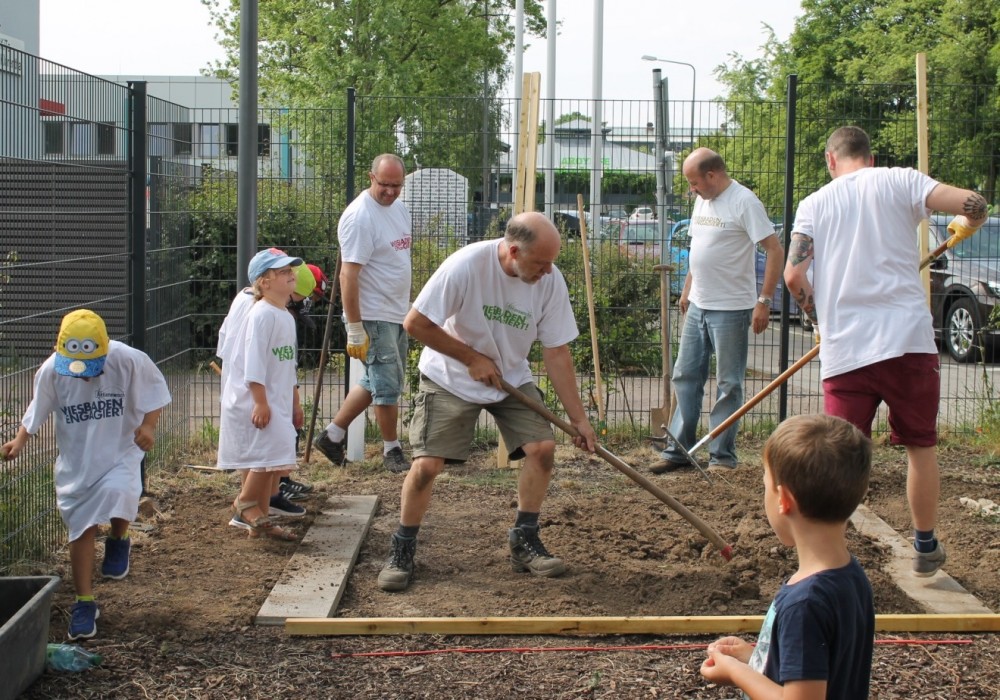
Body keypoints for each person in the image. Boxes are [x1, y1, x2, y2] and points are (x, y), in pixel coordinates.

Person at [784, 125, 988, 576]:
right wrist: (968, 222)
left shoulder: (815, 203)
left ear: (830, 160)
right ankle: (925, 546)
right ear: (869, 158)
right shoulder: (902, 180)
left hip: (845, 348)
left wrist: (820, 321)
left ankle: (826, 555)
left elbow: (794, 278)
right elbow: (974, 203)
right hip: (908, 343)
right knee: (920, 447)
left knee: (835, 456)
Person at [376, 211, 598, 592]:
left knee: (543, 448)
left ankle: (524, 540)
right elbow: (415, 323)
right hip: (450, 376)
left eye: (552, 264)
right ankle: (403, 547)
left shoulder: (549, 281)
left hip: (510, 377)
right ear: (513, 251)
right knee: (427, 465)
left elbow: (556, 350)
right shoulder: (465, 266)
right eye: (541, 263)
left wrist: (580, 419)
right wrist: (471, 358)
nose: (547, 272)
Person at [2, 310, 171, 640]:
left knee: (121, 494)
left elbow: (155, 391)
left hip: (120, 448)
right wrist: (20, 440)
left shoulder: (127, 359)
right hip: (78, 460)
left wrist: (149, 426)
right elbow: (38, 407)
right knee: (80, 526)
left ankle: (119, 538)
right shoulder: (52, 369)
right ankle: (84, 602)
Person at [700, 414, 875, 699]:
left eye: (764, 485)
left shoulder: (805, 604)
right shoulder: (850, 576)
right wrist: (754, 657)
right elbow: (822, 663)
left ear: (784, 500)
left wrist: (736, 673)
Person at [652, 148, 783, 473]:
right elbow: (699, 248)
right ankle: (678, 450)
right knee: (685, 375)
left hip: (732, 309)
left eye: (695, 182)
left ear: (713, 175)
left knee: (729, 383)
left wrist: (764, 300)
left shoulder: (744, 201)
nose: (691, 189)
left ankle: (722, 457)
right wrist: (687, 290)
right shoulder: (703, 200)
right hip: (699, 304)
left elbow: (775, 250)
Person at [313, 153, 413, 474]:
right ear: (371, 177)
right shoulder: (359, 217)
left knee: (375, 380)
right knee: (387, 386)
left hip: (397, 311)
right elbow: (348, 275)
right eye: (384, 184)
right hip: (373, 314)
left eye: (397, 185)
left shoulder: (398, 208)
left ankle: (332, 435)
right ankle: (391, 450)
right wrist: (355, 327)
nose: (391, 191)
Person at [218, 248, 305, 541]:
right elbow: (252, 363)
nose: (291, 274)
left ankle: (262, 522)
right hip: (263, 401)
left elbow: (286, 363)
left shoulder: (285, 316)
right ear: (264, 282)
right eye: (282, 272)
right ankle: (244, 504)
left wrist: (292, 400)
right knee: (270, 454)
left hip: (277, 400)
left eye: (290, 270)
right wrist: (260, 401)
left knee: (274, 460)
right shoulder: (262, 315)